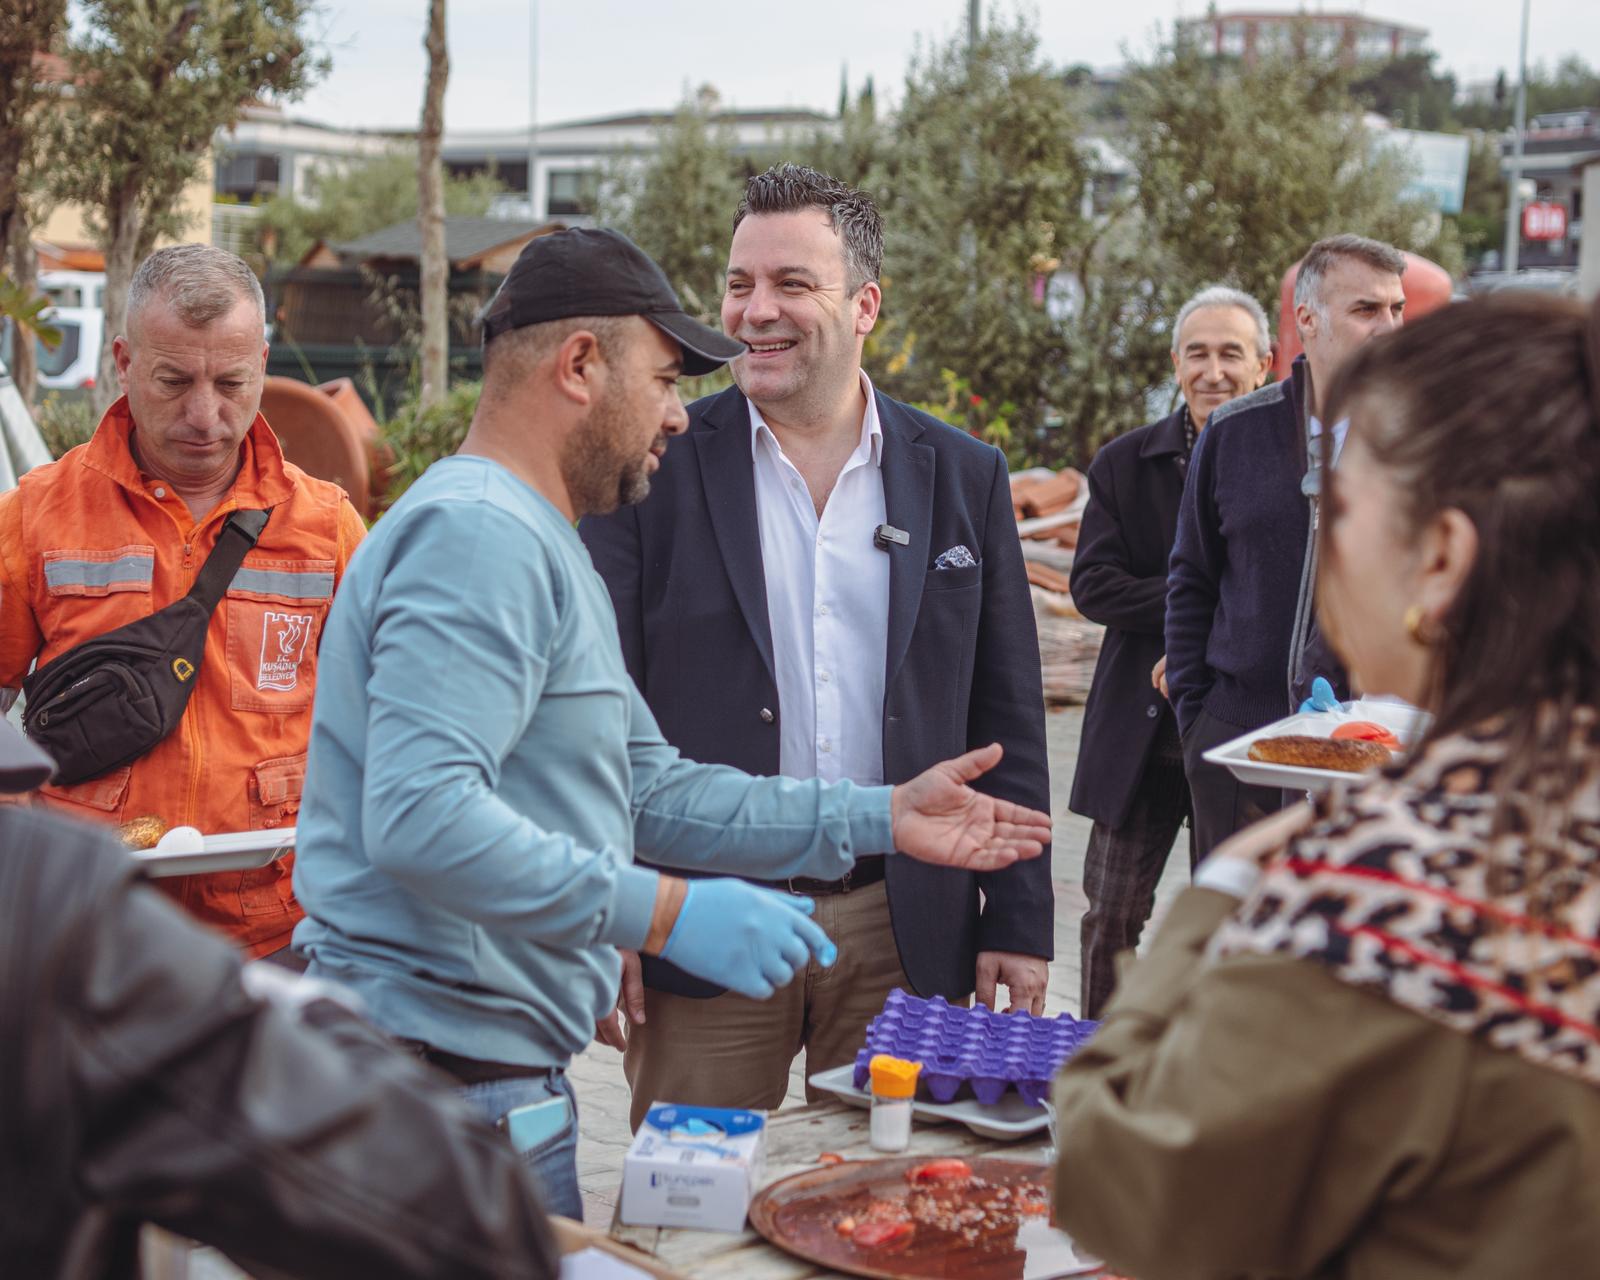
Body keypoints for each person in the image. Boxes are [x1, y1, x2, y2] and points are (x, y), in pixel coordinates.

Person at [290, 227, 1053, 1220]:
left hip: (488, 1080)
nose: (680, 415)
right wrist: (663, 914)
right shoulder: (477, 537)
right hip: (439, 1091)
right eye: (661, 381)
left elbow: (647, 787)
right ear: (579, 367)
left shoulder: (535, 536)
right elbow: (421, 818)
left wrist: (878, 815)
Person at [1051, 291, 1600, 1278]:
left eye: (1338, 508)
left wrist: (1226, 888)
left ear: (1439, 559)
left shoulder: (1384, 882)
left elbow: (1120, 1182)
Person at [579, 163, 1053, 1127]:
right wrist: (614, 905)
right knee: (695, 1197)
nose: (755, 312)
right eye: (739, 284)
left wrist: (1020, 916)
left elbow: (1006, 712)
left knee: (883, 1193)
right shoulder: (651, 466)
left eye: (792, 284)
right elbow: (596, 707)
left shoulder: (961, 474)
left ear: (865, 304)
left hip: (903, 926)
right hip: (704, 921)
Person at [0, 722, 562, 1280]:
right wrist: (323, 1017)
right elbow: (470, 1217)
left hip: (266, 910)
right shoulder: (49, 904)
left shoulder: (51, 901)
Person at [0, 244, 366, 961]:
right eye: (173, 381)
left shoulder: (327, 527)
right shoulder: (36, 516)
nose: (204, 415)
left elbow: (386, 718)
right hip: (88, 926)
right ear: (124, 361)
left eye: (231, 382)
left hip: (277, 932)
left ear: (263, 363)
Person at [1164, 234, 1406, 858]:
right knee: (1229, 913)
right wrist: (1197, 721)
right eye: (1366, 309)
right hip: (1238, 745)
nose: (1388, 327)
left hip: (1364, 749)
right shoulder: (1234, 432)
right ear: (1308, 320)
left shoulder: (1421, 441)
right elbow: (1191, 579)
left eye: (1397, 308)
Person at [1069, 285, 1272, 1018]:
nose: (1214, 371)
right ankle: (1097, 1056)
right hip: (1140, 733)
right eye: (1198, 354)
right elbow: (1093, 584)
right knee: (1111, 916)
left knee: (1229, 923)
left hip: (1238, 730)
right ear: (1176, 363)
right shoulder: (1125, 463)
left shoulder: (1288, 467)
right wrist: (1199, 608)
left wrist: (1200, 637)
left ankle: (1201, 1066)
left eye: (1231, 354)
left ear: (1264, 365)